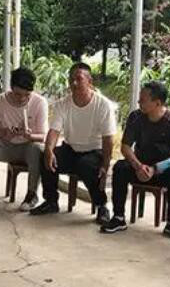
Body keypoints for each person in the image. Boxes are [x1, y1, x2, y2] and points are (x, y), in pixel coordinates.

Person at [30, 62, 117, 225]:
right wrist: (49, 150)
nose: (74, 83)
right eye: (71, 79)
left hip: (94, 151)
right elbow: (54, 131)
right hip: (71, 149)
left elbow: (108, 139)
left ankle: (101, 206)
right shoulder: (63, 104)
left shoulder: (103, 105)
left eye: (79, 79)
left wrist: (105, 165)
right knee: (45, 156)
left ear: (90, 81)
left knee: (86, 165)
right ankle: (51, 201)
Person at [101, 81, 170, 241]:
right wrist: (138, 166)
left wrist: (155, 169)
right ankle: (118, 217)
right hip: (139, 166)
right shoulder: (135, 117)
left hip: (162, 169)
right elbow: (125, 146)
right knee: (120, 168)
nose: (138, 102)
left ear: (157, 103)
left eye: (143, 99)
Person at [0, 67, 47, 211]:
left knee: (37, 148)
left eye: (27, 95)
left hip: (27, 148)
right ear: (11, 88)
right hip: (3, 146)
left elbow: (43, 136)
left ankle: (32, 194)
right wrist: (2, 132)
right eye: (18, 94)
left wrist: (30, 136)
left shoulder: (40, 103)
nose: (22, 98)